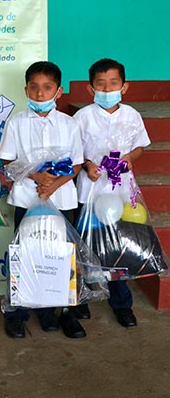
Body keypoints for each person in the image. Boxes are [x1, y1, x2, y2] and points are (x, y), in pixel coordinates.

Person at [0, 61, 86, 339]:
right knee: (24, 252)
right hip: (27, 200)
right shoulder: (17, 122)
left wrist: (53, 184)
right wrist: (37, 177)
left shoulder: (69, 124)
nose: (39, 93)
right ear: (25, 89)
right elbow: (7, 160)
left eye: (47, 88)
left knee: (63, 257)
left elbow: (77, 165)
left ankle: (60, 311)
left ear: (58, 91)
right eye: (33, 87)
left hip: (62, 201)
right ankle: (18, 311)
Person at [73, 58, 151, 328]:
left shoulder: (132, 115)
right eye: (101, 85)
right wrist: (87, 164)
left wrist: (130, 157)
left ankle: (121, 303)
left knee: (120, 249)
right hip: (91, 191)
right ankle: (82, 299)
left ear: (124, 86)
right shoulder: (82, 117)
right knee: (87, 247)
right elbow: (74, 152)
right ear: (90, 88)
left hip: (122, 194)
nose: (107, 90)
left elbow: (141, 146)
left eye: (113, 84)